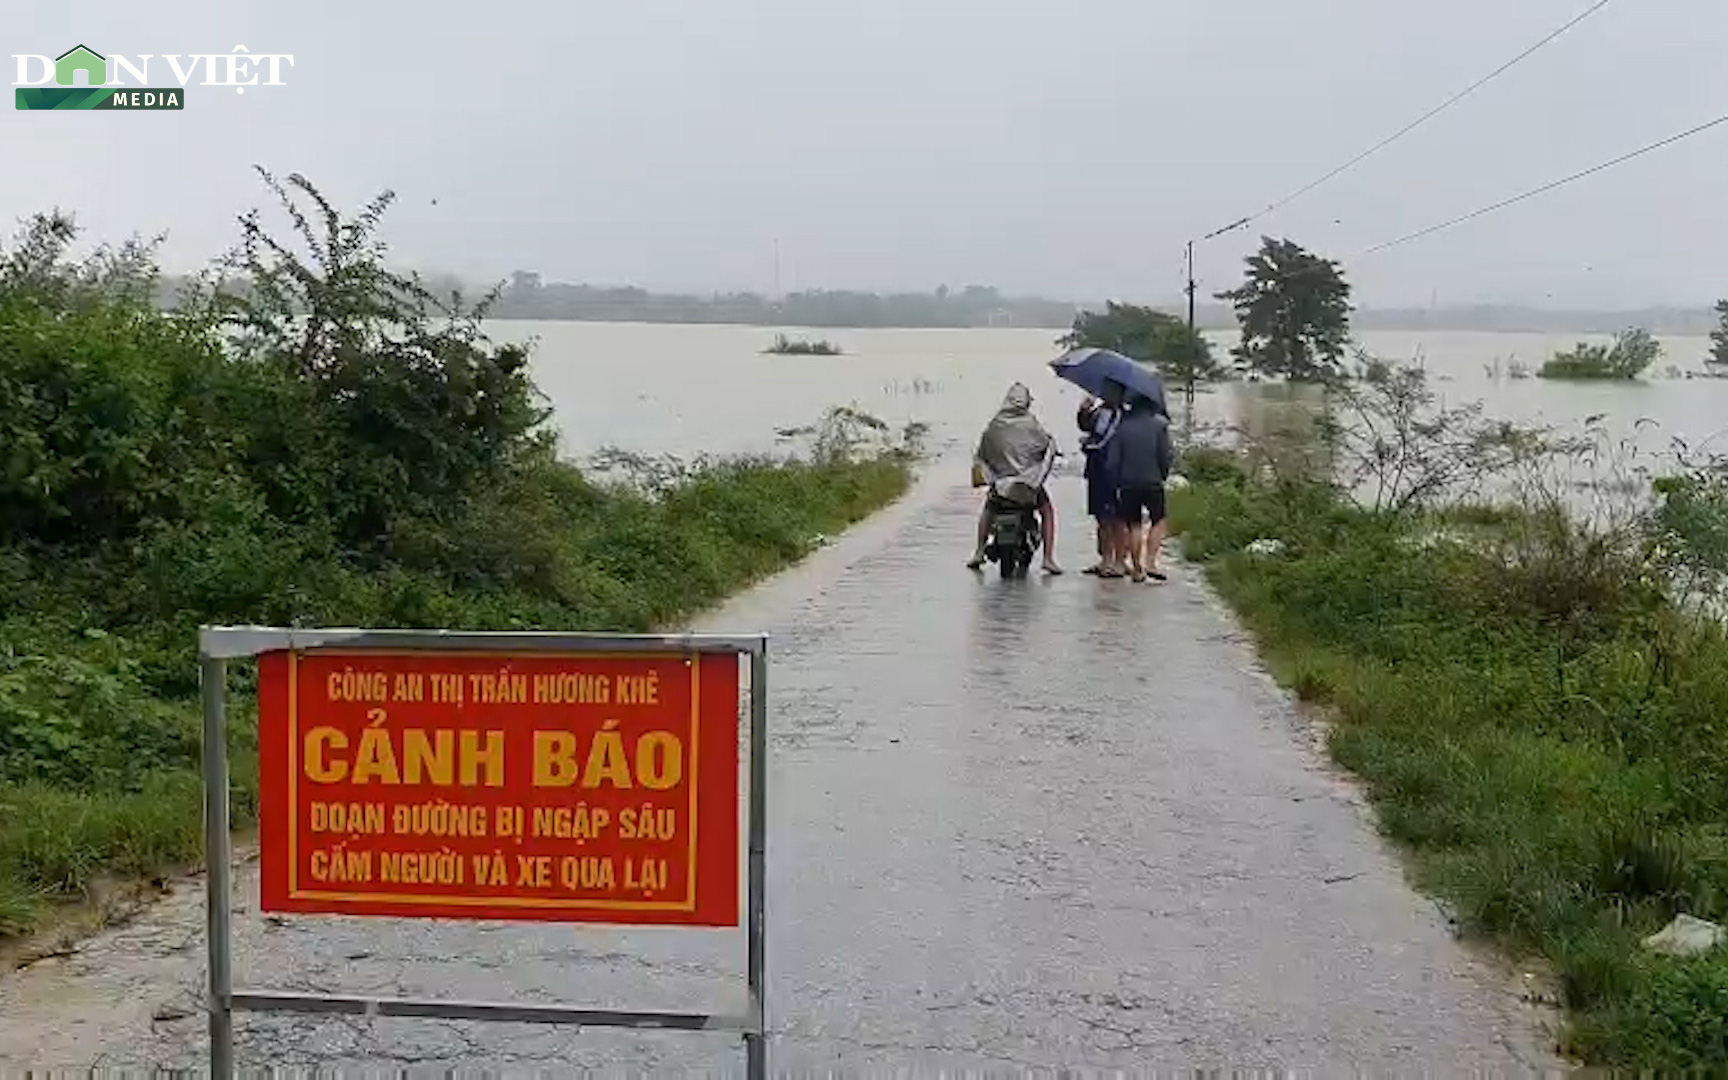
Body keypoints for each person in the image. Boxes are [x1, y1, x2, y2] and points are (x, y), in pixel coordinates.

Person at [968, 382, 1062, 574]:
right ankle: (1048, 558)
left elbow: (984, 451)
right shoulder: (1031, 424)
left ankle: (979, 551)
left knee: (988, 509)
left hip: (1001, 485)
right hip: (1026, 486)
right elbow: (1043, 446)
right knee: (1047, 511)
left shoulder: (995, 424)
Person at [1104, 392, 1174, 582]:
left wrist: (1116, 481)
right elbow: (1166, 455)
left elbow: (1112, 461)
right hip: (1153, 481)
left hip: (1128, 483)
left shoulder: (1122, 427)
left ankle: (1137, 569)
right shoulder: (1160, 425)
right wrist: (1163, 474)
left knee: (1134, 524)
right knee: (1158, 520)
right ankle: (1151, 562)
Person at [1076, 387, 1122, 575]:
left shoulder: (1121, 416)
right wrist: (1083, 411)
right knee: (1100, 517)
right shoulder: (1099, 411)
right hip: (1096, 469)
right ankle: (1104, 558)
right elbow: (1086, 426)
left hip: (1114, 471)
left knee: (1116, 518)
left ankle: (1118, 560)